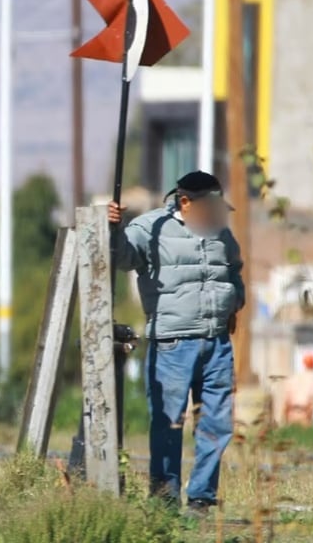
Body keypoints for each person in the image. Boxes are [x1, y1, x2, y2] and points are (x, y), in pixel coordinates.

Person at [109, 170, 245, 515]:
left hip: (217, 344)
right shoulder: (150, 228)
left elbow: (233, 269)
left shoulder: (219, 231)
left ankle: (201, 499)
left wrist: (234, 303)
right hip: (172, 344)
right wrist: (112, 228)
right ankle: (165, 500)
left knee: (216, 423)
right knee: (168, 424)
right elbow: (122, 258)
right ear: (185, 202)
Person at [282, 353, 313, 427]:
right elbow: (311, 401)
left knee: (290, 438)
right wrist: (309, 418)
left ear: (304, 364)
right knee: (303, 438)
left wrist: (286, 418)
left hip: (291, 413)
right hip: (304, 414)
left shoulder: (293, 378)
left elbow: (287, 401)